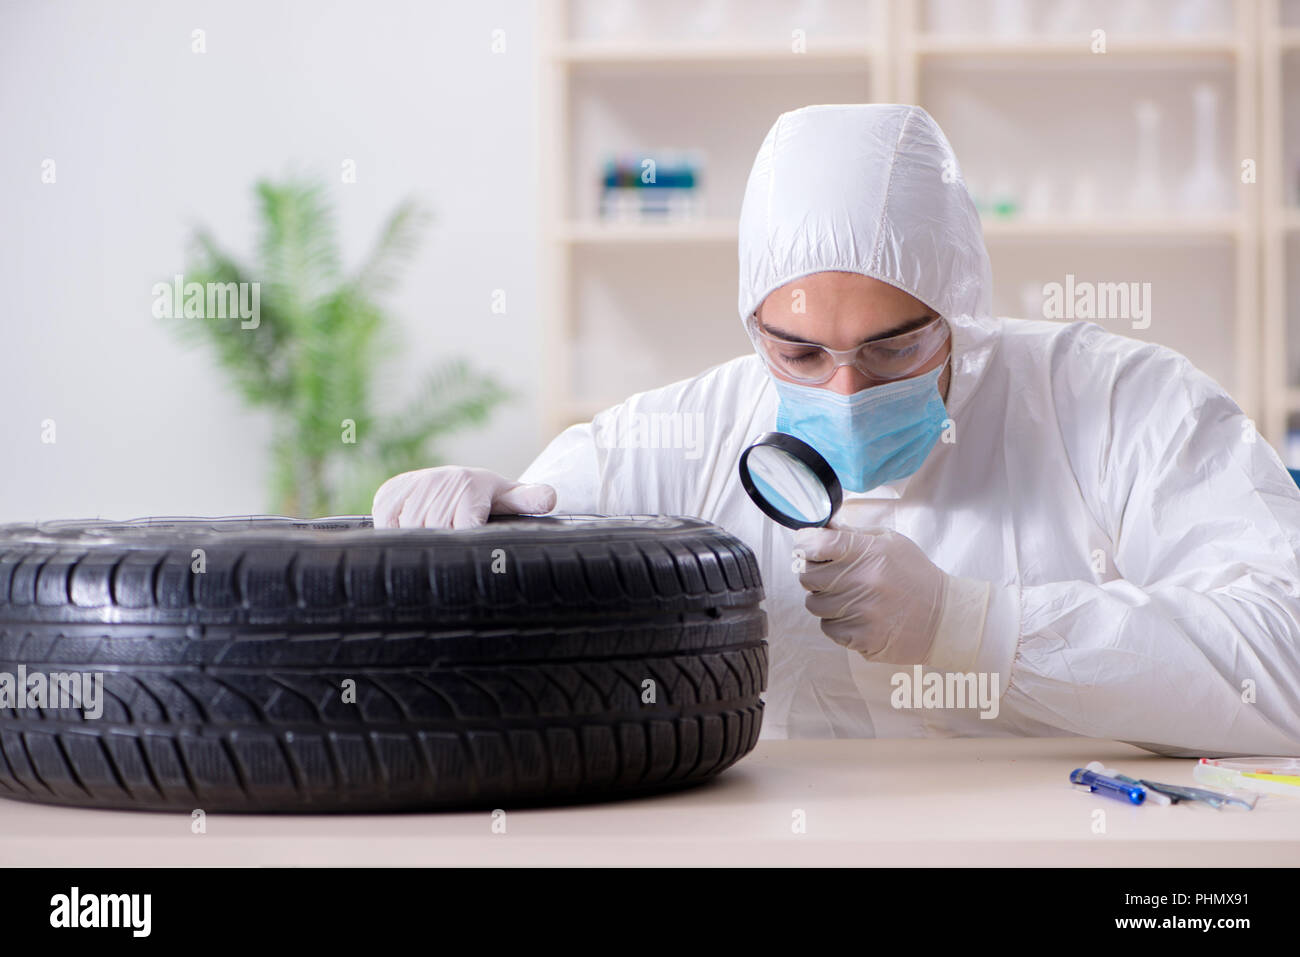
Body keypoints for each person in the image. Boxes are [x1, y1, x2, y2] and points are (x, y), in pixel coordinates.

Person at [373, 103, 1300, 757]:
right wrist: (465, 547)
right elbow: (509, 639)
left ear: (961, 316)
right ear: (753, 328)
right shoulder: (680, 434)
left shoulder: (1120, 403)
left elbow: (1285, 662)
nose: (847, 388)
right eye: (801, 355)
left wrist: (976, 624)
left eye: (895, 349)